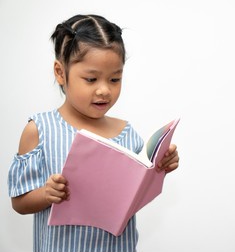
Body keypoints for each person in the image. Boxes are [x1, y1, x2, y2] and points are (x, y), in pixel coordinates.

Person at [7, 14, 179, 252]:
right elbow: (18, 202)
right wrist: (47, 194)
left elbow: (134, 196)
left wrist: (161, 167)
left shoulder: (128, 135)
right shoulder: (40, 129)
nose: (104, 90)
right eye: (91, 79)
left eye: (114, 79)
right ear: (60, 72)